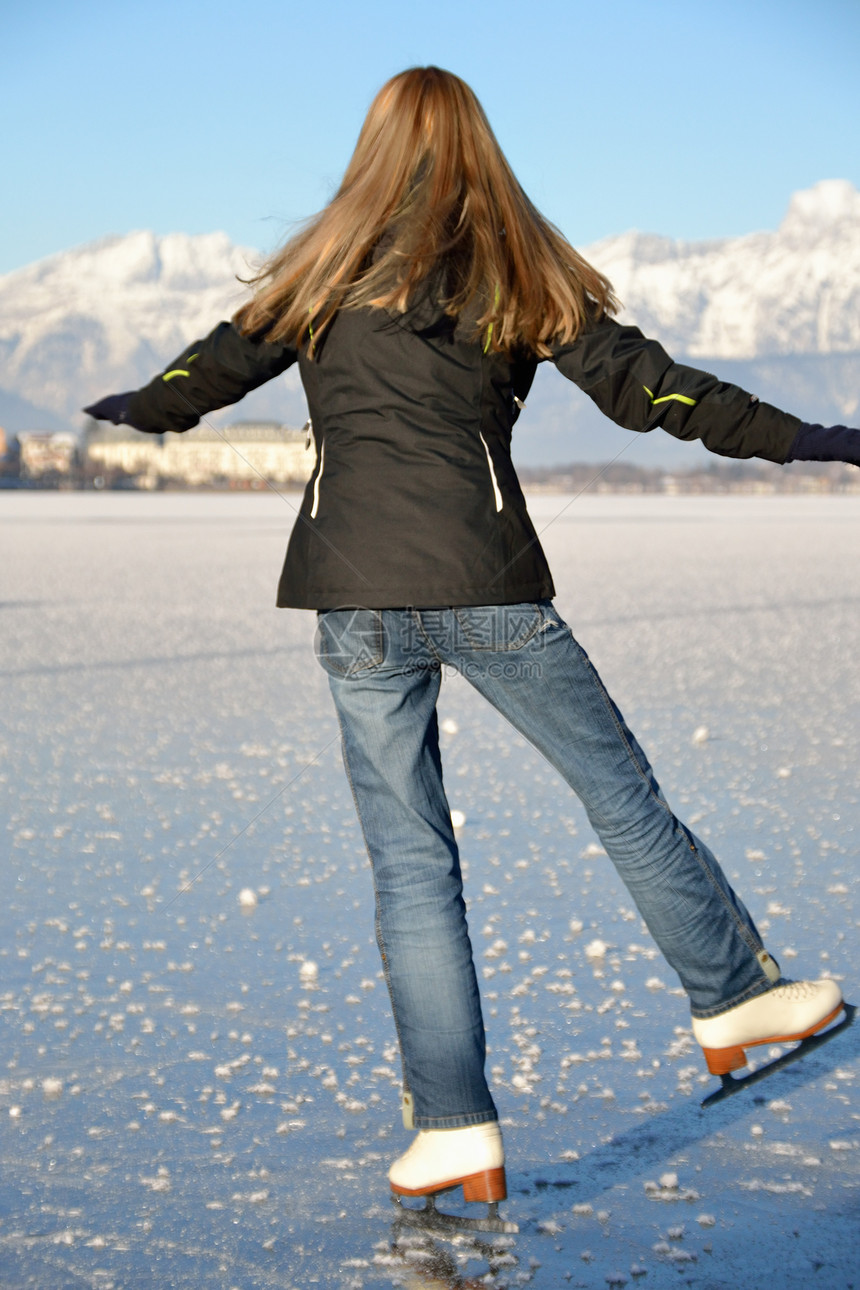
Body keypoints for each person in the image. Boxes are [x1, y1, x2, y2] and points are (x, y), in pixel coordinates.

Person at [84, 66, 856, 1218]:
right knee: (620, 799)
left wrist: (131, 412)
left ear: (373, 152)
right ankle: (731, 996)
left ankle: (450, 1127)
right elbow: (661, 395)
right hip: (489, 586)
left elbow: (199, 377)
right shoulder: (513, 274)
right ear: (476, 152)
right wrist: (815, 439)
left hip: (352, 599)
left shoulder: (314, 278)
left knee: (409, 863)